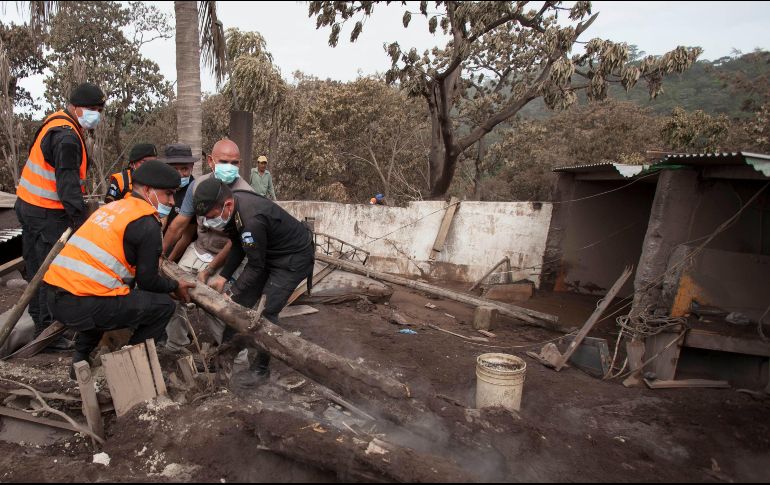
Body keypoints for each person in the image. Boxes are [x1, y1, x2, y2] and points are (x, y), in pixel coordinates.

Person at [42, 160, 195, 378]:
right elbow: (148, 281)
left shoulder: (112, 208)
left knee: (107, 300)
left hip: (55, 297)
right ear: (148, 190)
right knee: (163, 306)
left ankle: (80, 362)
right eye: (168, 194)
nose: (172, 201)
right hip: (80, 303)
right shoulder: (146, 222)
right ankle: (129, 368)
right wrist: (174, 286)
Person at [193, 177, 314, 385]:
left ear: (227, 205)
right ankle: (225, 359)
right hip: (269, 254)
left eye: (211, 216)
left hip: (293, 259)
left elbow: (256, 266)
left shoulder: (252, 220)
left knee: (266, 313)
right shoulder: (234, 209)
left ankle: (260, 370)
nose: (208, 222)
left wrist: (232, 292)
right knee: (239, 305)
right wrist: (223, 277)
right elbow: (238, 245)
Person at [14, 82, 106, 349]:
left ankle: (40, 324)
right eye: (91, 109)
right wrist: (80, 220)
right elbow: (66, 185)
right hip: (45, 214)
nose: (95, 114)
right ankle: (46, 332)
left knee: (36, 268)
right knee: (49, 271)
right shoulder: (66, 137)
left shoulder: (57, 122)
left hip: (30, 206)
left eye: (99, 109)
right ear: (75, 108)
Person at [162, 139, 254, 348]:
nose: (229, 167)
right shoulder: (197, 187)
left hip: (228, 256)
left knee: (216, 304)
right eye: (224, 161)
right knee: (172, 291)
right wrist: (161, 254)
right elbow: (179, 226)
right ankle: (176, 345)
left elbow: (235, 243)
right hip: (199, 249)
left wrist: (209, 270)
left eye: (235, 163)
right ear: (211, 161)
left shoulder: (245, 194)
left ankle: (227, 350)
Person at [157, 143, 196, 235]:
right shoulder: (159, 187)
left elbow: (187, 235)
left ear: (192, 166)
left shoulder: (195, 191)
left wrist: (165, 249)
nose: (180, 174)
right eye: (174, 169)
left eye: (184, 169)